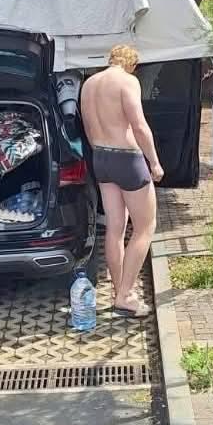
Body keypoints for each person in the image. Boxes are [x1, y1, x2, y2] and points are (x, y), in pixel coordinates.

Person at [80, 45, 163, 318]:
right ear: (132, 64)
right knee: (145, 226)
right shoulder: (127, 81)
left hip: (101, 157)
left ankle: (120, 290)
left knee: (115, 227)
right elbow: (138, 125)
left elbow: (88, 128)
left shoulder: (89, 84)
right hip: (127, 158)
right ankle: (125, 296)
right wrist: (154, 162)